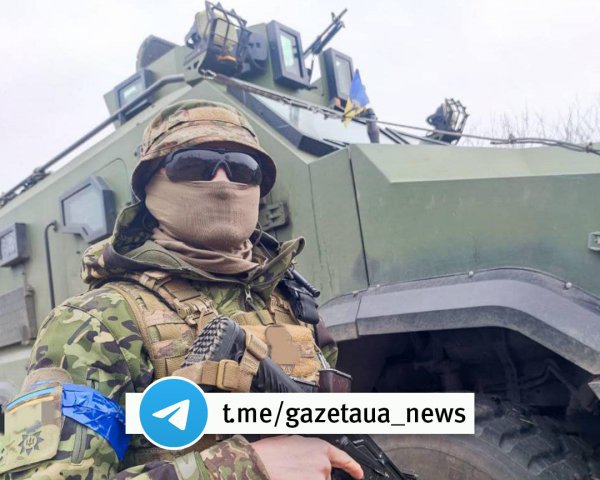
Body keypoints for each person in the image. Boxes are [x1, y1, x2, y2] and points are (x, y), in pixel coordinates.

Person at [0, 100, 363, 480]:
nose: (222, 181)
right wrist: (244, 468)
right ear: (150, 185)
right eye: (194, 164)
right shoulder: (95, 323)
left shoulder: (291, 302)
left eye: (243, 168)